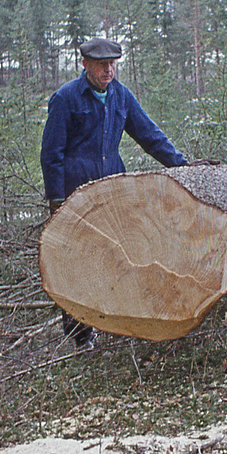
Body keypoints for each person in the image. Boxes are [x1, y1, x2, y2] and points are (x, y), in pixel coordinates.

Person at [40, 36, 190, 351]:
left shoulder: (121, 96)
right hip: (76, 194)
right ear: (85, 65)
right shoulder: (66, 99)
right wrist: (56, 201)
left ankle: (118, 321)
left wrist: (182, 167)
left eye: (112, 65)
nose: (108, 71)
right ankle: (80, 335)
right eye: (101, 65)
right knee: (78, 263)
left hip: (113, 191)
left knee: (119, 256)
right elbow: (51, 154)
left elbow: (150, 136)